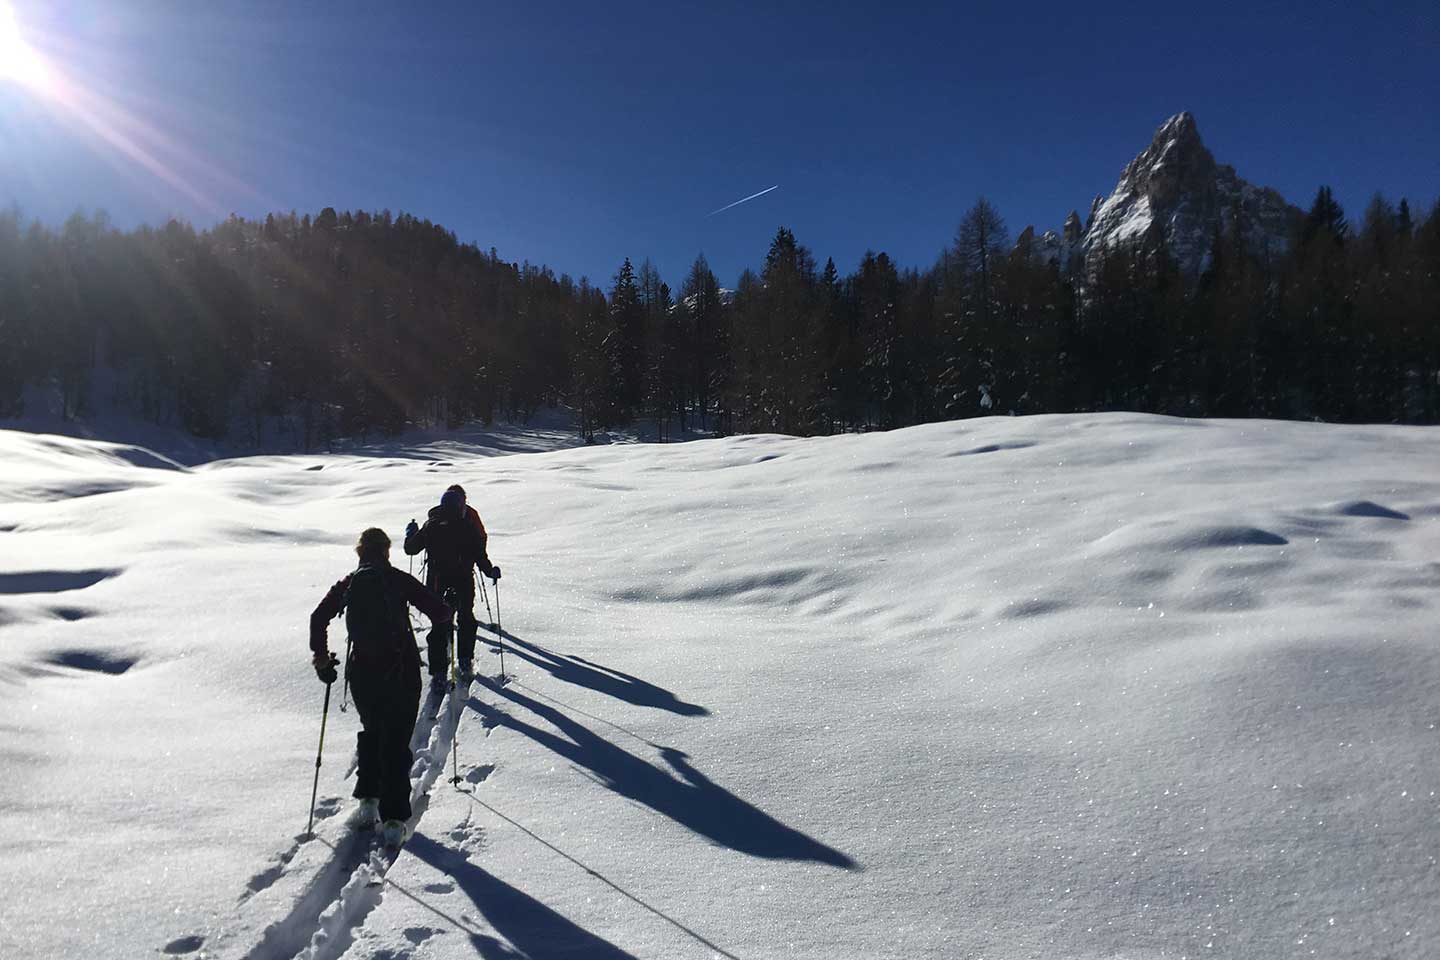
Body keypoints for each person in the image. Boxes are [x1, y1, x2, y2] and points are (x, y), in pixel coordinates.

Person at [310, 527, 452, 846]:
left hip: (362, 674)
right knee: (397, 741)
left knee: (373, 731)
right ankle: (393, 819)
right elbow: (439, 611)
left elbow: (318, 618)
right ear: (387, 551)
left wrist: (321, 659)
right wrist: (449, 611)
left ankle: (367, 801)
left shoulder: (349, 583)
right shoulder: (397, 579)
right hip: (400, 671)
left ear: (360, 552)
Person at [403, 488, 500, 684]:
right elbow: (480, 557)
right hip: (463, 580)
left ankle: (438, 672)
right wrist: (491, 571)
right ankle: (465, 661)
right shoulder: (468, 526)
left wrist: (410, 533)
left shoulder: (431, 525)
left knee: (439, 624)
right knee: (466, 619)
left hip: (437, 582)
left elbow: (410, 549)